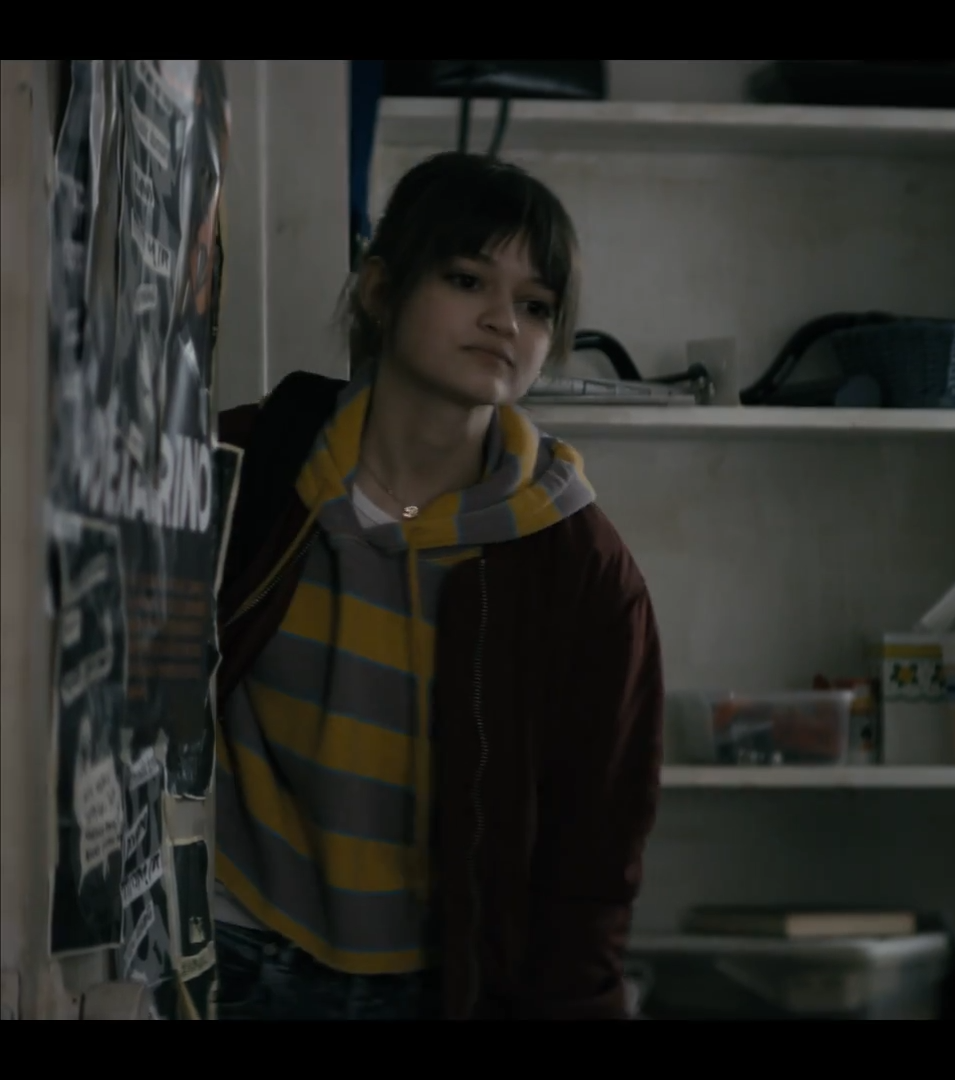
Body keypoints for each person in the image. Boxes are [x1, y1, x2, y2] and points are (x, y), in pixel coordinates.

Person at [209, 152, 665, 1020]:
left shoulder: (580, 566)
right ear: (380, 290)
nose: (503, 321)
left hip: (434, 983)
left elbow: (597, 846)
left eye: (536, 305)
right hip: (226, 944)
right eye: (466, 280)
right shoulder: (249, 464)